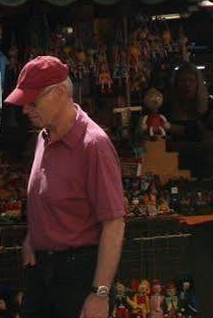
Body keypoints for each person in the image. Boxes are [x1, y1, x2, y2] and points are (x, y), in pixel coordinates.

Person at [9, 56, 126, 318]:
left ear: (60, 93)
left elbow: (114, 224)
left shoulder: (93, 145)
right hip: (43, 270)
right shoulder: (43, 137)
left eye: (32, 101)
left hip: (79, 274)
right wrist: (32, 238)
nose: (26, 109)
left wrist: (100, 293)